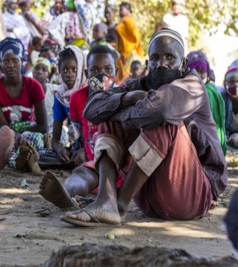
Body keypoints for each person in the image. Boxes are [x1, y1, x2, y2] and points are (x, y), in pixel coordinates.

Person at [61, 28, 227, 226]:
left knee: (162, 118)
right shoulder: (143, 83)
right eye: (155, 58)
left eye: (170, 57)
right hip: (149, 198)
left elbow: (161, 111)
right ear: (148, 63)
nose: (161, 64)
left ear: (183, 63)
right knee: (111, 113)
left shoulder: (193, 85)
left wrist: (122, 114)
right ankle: (106, 201)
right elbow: (92, 109)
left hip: (192, 194)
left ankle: (120, 203)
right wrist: (127, 97)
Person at [39, 45, 119, 209]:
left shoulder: (123, 97)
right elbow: (83, 134)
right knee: (81, 174)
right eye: (95, 70)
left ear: (116, 71)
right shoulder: (77, 98)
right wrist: (82, 148)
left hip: (120, 167)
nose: (102, 76)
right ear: (86, 73)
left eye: (108, 69)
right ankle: (66, 195)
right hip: (94, 166)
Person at [0, 37, 48, 174]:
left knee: (35, 138)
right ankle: (21, 160)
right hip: (6, 131)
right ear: (0, 64)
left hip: (28, 131)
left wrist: (23, 135)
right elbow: (2, 125)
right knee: (2, 138)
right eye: (6, 61)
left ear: (22, 61)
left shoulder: (34, 86)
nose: (11, 65)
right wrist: (14, 135)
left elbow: (43, 125)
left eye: (15, 60)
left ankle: (21, 158)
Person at [50, 45, 87, 163]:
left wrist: (86, 151)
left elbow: (101, 133)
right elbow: (55, 139)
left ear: (81, 69)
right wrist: (59, 149)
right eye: (64, 70)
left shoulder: (91, 92)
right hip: (81, 143)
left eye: (74, 69)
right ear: (59, 71)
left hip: (100, 142)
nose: (69, 74)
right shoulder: (61, 95)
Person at [186, 50, 227, 155]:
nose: (198, 75)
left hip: (208, 147)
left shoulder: (209, 92)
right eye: (195, 70)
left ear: (207, 72)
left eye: (202, 72)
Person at [114, 2, 143, 84]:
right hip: (123, 54)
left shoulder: (128, 20)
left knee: (128, 77)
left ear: (128, 10)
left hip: (128, 54)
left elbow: (136, 36)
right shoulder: (125, 21)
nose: (119, 12)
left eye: (121, 9)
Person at [32, 57, 56, 135]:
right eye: (36, 68)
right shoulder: (26, 90)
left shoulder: (54, 90)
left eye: (44, 70)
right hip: (33, 130)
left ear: (48, 75)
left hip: (53, 129)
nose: (39, 72)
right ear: (32, 71)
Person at [219, 60, 238, 149]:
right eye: (231, 82)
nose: (235, 85)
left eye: (237, 81)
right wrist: (224, 137)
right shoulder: (222, 97)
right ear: (226, 83)